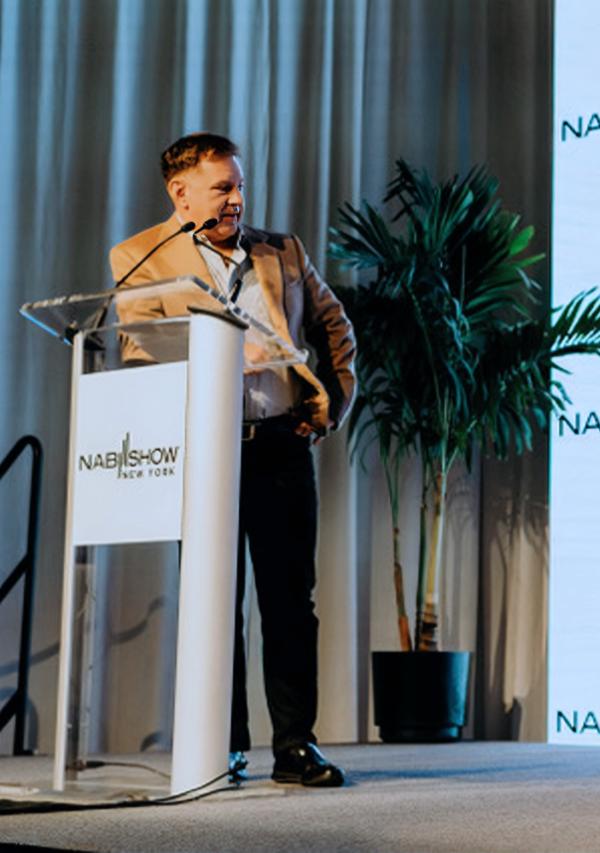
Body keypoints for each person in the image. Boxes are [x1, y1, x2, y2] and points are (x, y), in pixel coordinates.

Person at [109, 132, 356, 787]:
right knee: (215, 601)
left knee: (290, 602)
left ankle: (297, 745)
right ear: (180, 193)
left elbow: (335, 327)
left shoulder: (284, 251)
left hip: (279, 445)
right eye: (222, 188)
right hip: (207, 453)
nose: (237, 199)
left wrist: (330, 401)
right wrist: (215, 356)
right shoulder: (139, 257)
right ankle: (223, 745)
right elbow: (139, 353)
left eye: (240, 185)